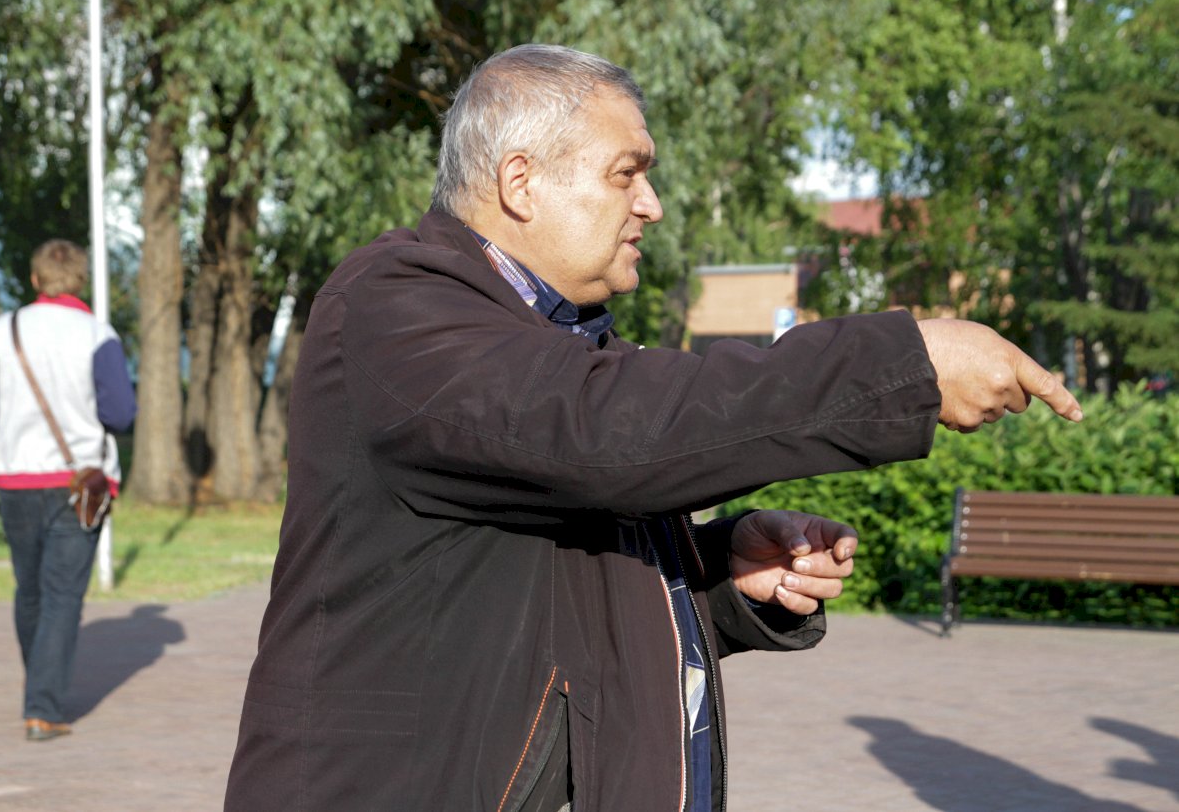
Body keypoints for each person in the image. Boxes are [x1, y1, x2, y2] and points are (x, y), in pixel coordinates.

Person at [224, 45, 1081, 811]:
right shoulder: (399, 308)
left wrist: (717, 575)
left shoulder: (549, 343)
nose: (652, 205)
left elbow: (552, 571)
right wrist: (905, 363)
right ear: (521, 183)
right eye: (625, 173)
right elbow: (608, 438)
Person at [0, 239, 137, 741]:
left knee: (31, 591)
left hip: (15, 477)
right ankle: (42, 708)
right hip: (80, 481)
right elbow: (120, 414)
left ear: (35, 279)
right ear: (80, 280)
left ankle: (39, 690)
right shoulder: (96, 334)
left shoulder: (3, 331)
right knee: (62, 596)